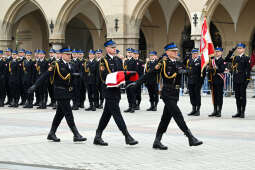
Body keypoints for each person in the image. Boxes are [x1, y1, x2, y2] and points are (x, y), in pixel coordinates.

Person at [129, 43, 202, 150]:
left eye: (176, 51)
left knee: (165, 119)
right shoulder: (162, 63)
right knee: (177, 114)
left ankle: (157, 141)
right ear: (167, 52)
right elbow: (150, 73)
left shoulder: (179, 62)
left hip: (176, 93)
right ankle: (190, 137)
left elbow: (189, 71)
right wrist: (137, 84)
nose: (176, 52)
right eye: (173, 51)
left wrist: (186, 71)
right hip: (167, 93)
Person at [28, 48, 86, 142]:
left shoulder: (71, 64)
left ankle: (51, 133)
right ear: (62, 55)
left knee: (59, 114)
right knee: (68, 113)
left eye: (70, 54)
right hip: (60, 92)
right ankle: (76, 134)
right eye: (67, 54)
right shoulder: (56, 64)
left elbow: (74, 77)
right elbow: (45, 75)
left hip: (68, 92)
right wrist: (35, 85)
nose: (69, 56)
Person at [93, 39, 138, 146]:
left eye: (115, 47)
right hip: (109, 91)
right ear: (107, 49)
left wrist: (127, 80)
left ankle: (97, 136)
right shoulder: (103, 61)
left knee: (106, 115)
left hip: (116, 91)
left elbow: (121, 74)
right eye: (112, 48)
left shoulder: (118, 60)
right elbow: (103, 77)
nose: (114, 49)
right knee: (117, 114)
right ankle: (127, 136)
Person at [225, 43, 251, 118]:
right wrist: (231, 51)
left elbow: (248, 70)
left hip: (243, 80)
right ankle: (238, 111)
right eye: (238, 48)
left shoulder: (246, 58)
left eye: (240, 48)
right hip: (236, 79)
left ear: (243, 49)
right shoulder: (235, 58)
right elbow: (226, 59)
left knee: (242, 96)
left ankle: (242, 112)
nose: (239, 50)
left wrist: (247, 80)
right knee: (237, 96)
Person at [208, 47, 226, 117]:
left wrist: (214, 70)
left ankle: (219, 111)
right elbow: (210, 71)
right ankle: (215, 110)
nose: (217, 53)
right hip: (213, 81)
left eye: (218, 51)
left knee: (219, 96)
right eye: (216, 51)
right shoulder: (212, 61)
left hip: (219, 81)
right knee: (214, 96)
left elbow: (222, 69)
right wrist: (209, 80)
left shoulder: (222, 60)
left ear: (221, 52)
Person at [187, 48, 203, 116]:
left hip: (197, 81)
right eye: (193, 53)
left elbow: (203, 72)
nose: (194, 55)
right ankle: (193, 109)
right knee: (191, 95)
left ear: (198, 54)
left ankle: (198, 110)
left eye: (196, 53)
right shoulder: (189, 61)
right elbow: (187, 70)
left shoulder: (200, 61)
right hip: (190, 81)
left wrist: (201, 81)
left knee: (197, 95)